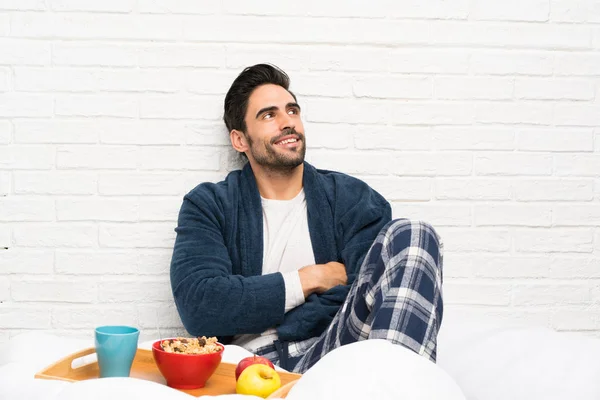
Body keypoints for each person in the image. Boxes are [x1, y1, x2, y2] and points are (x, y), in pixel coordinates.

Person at [169, 64, 444, 373]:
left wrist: (264, 306)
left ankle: (397, 386)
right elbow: (201, 305)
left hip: (337, 348)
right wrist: (311, 279)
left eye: (292, 111)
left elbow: (368, 293)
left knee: (414, 233)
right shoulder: (210, 204)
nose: (288, 123)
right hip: (258, 365)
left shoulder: (352, 199)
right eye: (269, 115)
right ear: (240, 140)